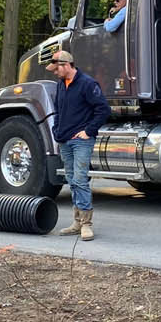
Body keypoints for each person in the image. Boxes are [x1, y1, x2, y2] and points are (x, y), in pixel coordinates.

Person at [46, 50, 110, 240]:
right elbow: (58, 110)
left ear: (66, 65)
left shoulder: (87, 84)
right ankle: (76, 222)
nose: (54, 73)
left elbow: (103, 110)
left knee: (80, 179)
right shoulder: (61, 85)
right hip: (65, 140)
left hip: (81, 141)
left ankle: (86, 224)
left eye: (56, 69)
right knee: (72, 180)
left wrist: (88, 131)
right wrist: (57, 131)